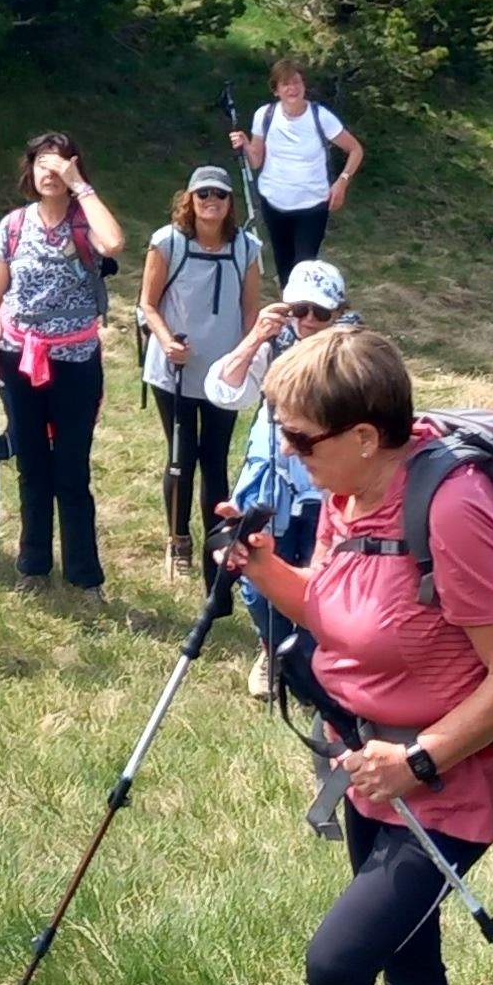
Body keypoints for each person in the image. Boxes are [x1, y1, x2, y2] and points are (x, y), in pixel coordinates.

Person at [211, 326, 493, 985]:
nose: (288, 453)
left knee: (338, 957)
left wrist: (421, 759)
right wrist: (260, 565)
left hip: (448, 780)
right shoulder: (348, 492)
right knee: (405, 949)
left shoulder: (454, 509)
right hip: (366, 764)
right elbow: (334, 604)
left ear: (365, 433)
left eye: (299, 438)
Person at [0, 134, 123, 591]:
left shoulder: (85, 224)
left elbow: (115, 243)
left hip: (76, 362)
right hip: (18, 359)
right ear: (30, 170)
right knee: (32, 464)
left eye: (59, 163)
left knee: (72, 469)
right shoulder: (14, 225)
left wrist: (81, 186)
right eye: (42, 162)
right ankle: (32, 567)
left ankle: (84, 576)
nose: (49, 172)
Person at [210, 259, 352, 697]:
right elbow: (225, 390)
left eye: (320, 312)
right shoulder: (272, 345)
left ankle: (313, 662)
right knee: (253, 568)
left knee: (323, 571)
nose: (308, 321)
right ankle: (272, 647)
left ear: (339, 313)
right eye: (300, 309)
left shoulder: (352, 353)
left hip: (326, 477)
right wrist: (256, 336)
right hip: (272, 470)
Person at [142, 165, 264, 573]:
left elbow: (251, 311)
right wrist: (166, 342)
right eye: (203, 194)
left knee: (215, 458)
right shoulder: (167, 242)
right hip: (174, 370)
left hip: (224, 375)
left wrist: (250, 358)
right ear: (189, 199)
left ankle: (217, 544)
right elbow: (147, 303)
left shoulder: (247, 248)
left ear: (231, 203)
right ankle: (178, 540)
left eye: (221, 195)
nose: (212, 201)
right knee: (181, 456)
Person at [231, 60, 362, 278]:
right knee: (283, 265)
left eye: (296, 83)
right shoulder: (265, 115)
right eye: (286, 84)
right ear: (276, 90)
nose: (293, 89)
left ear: (304, 86)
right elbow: (256, 161)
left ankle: (303, 309)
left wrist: (342, 181)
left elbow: (356, 150)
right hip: (274, 203)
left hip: (312, 204)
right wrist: (245, 143)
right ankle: (289, 308)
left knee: (304, 267)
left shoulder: (321, 117)